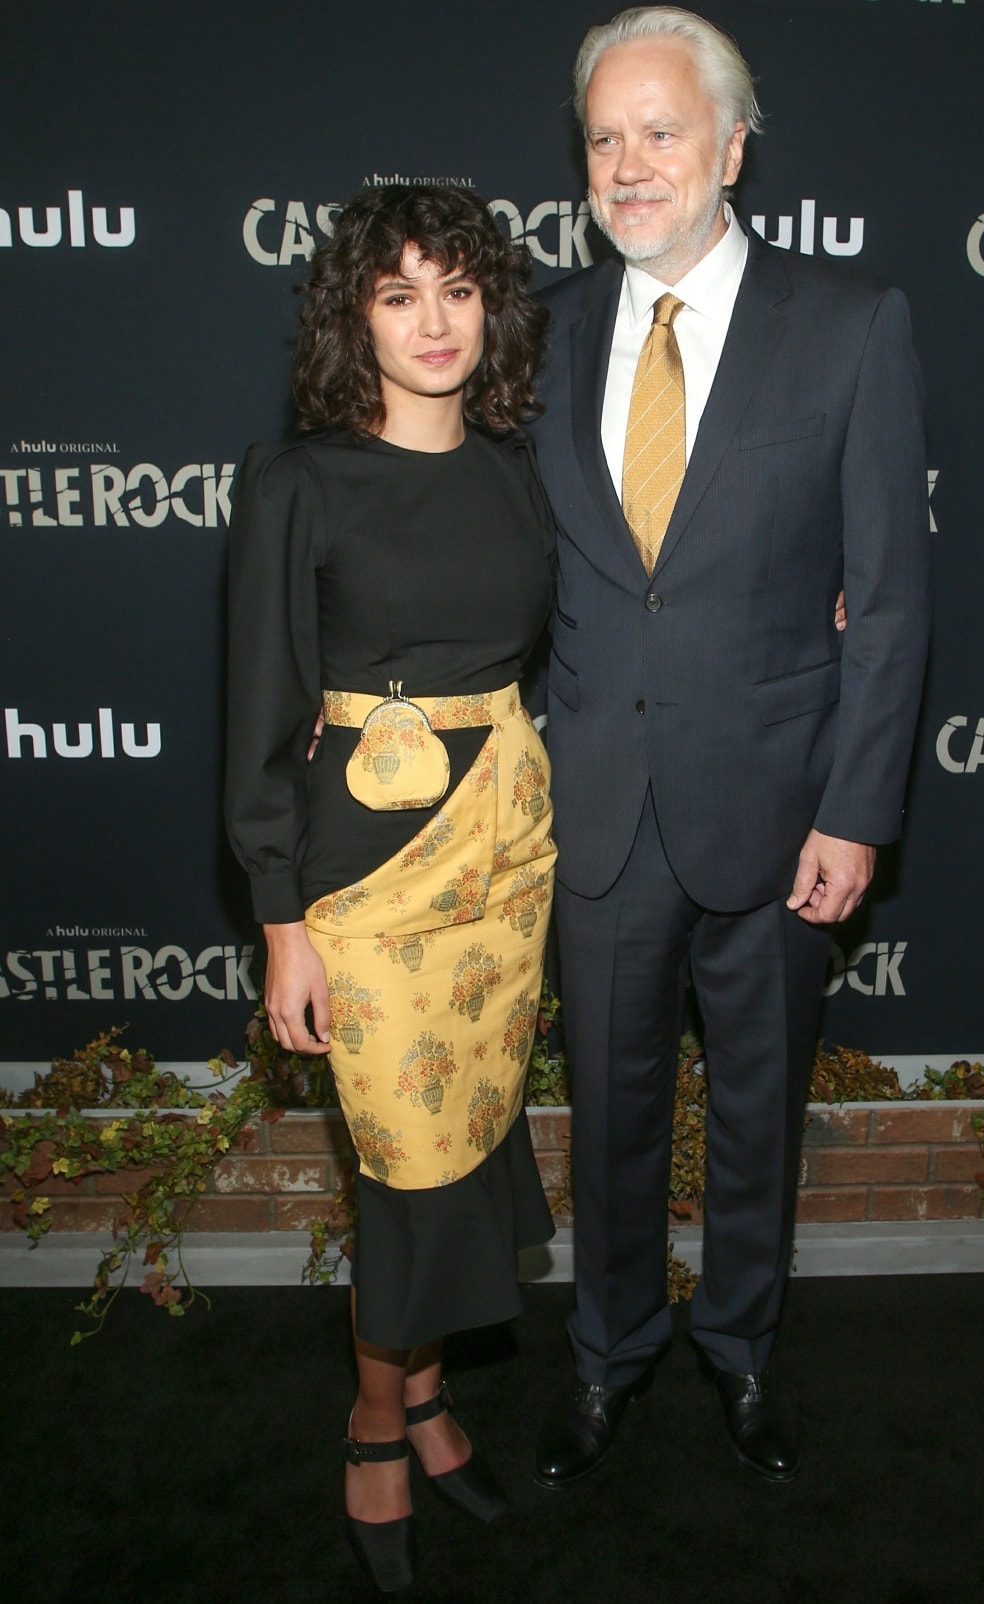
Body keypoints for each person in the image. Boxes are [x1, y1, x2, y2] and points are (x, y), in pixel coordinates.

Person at [529, 7, 931, 1487]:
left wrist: (857, 810)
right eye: (605, 139)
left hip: (779, 815)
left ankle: (746, 1354)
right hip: (600, 817)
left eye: (662, 132)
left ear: (733, 148)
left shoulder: (850, 327)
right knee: (611, 1119)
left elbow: (888, 603)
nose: (631, 166)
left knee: (759, 1113)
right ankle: (608, 1356)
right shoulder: (548, 332)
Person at [225, 184, 557, 1593]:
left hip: (504, 854)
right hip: (367, 873)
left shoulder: (513, 468)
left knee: (470, 1143)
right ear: (351, 317)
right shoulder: (297, 479)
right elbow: (257, 720)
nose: (434, 323)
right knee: (406, 1176)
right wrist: (282, 923)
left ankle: (424, 1397)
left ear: (493, 308)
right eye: (398, 293)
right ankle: (374, 1424)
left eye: (459, 290)